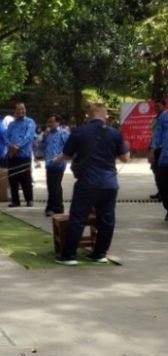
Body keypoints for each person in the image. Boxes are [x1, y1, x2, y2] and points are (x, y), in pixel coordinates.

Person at [54, 102, 130, 265]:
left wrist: (58, 158)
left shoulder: (79, 132)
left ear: (88, 116)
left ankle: (69, 256)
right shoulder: (115, 133)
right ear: (106, 117)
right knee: (107, 218)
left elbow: (67, 154)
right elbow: (125, 158)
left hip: (87, 182)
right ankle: (100, 253)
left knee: (78, 217)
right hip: (109, 183)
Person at [6, 101, 36, 207]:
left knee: (25, 178)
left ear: (25, 109)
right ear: (15, 111)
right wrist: (11, 146)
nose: (20, 111)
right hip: (12, 156)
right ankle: (15, 201)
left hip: (24, 155)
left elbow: (28, 137)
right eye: (18, 109)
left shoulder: (30, 122)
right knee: (12, 179)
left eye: (22, 108)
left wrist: (17, 146)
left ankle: (29, 199)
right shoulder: (11, 124)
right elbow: (6, 137)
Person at [41, 114, 70, 216]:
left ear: (58, 122)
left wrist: (61, 157)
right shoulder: (48, 134)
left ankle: (53, 207)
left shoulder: (63, 133)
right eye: (49, 122)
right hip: (49, 163)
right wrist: (44, 137)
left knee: (54, 185)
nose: (50, 124)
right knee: (52, 185)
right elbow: (42, 146)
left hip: (58, 163)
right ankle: (58, 206)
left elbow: (69, 147)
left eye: (52, 122)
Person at [150, 99, 168, 221]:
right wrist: (152, 149)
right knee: (163, 184)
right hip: (165, 157)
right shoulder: (164, 116)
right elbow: (158, 133)